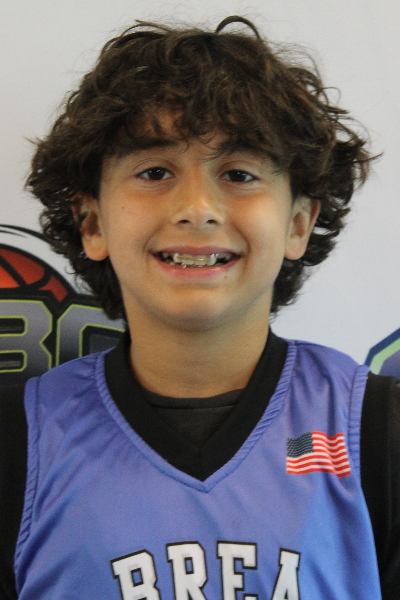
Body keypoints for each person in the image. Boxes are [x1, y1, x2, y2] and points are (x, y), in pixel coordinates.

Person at [1, 15, 399, 599]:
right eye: (154, 171)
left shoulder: (378, 431)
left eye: (238, 173)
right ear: (92, 223)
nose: (197, 207)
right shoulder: (19, 440)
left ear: (298, 223)